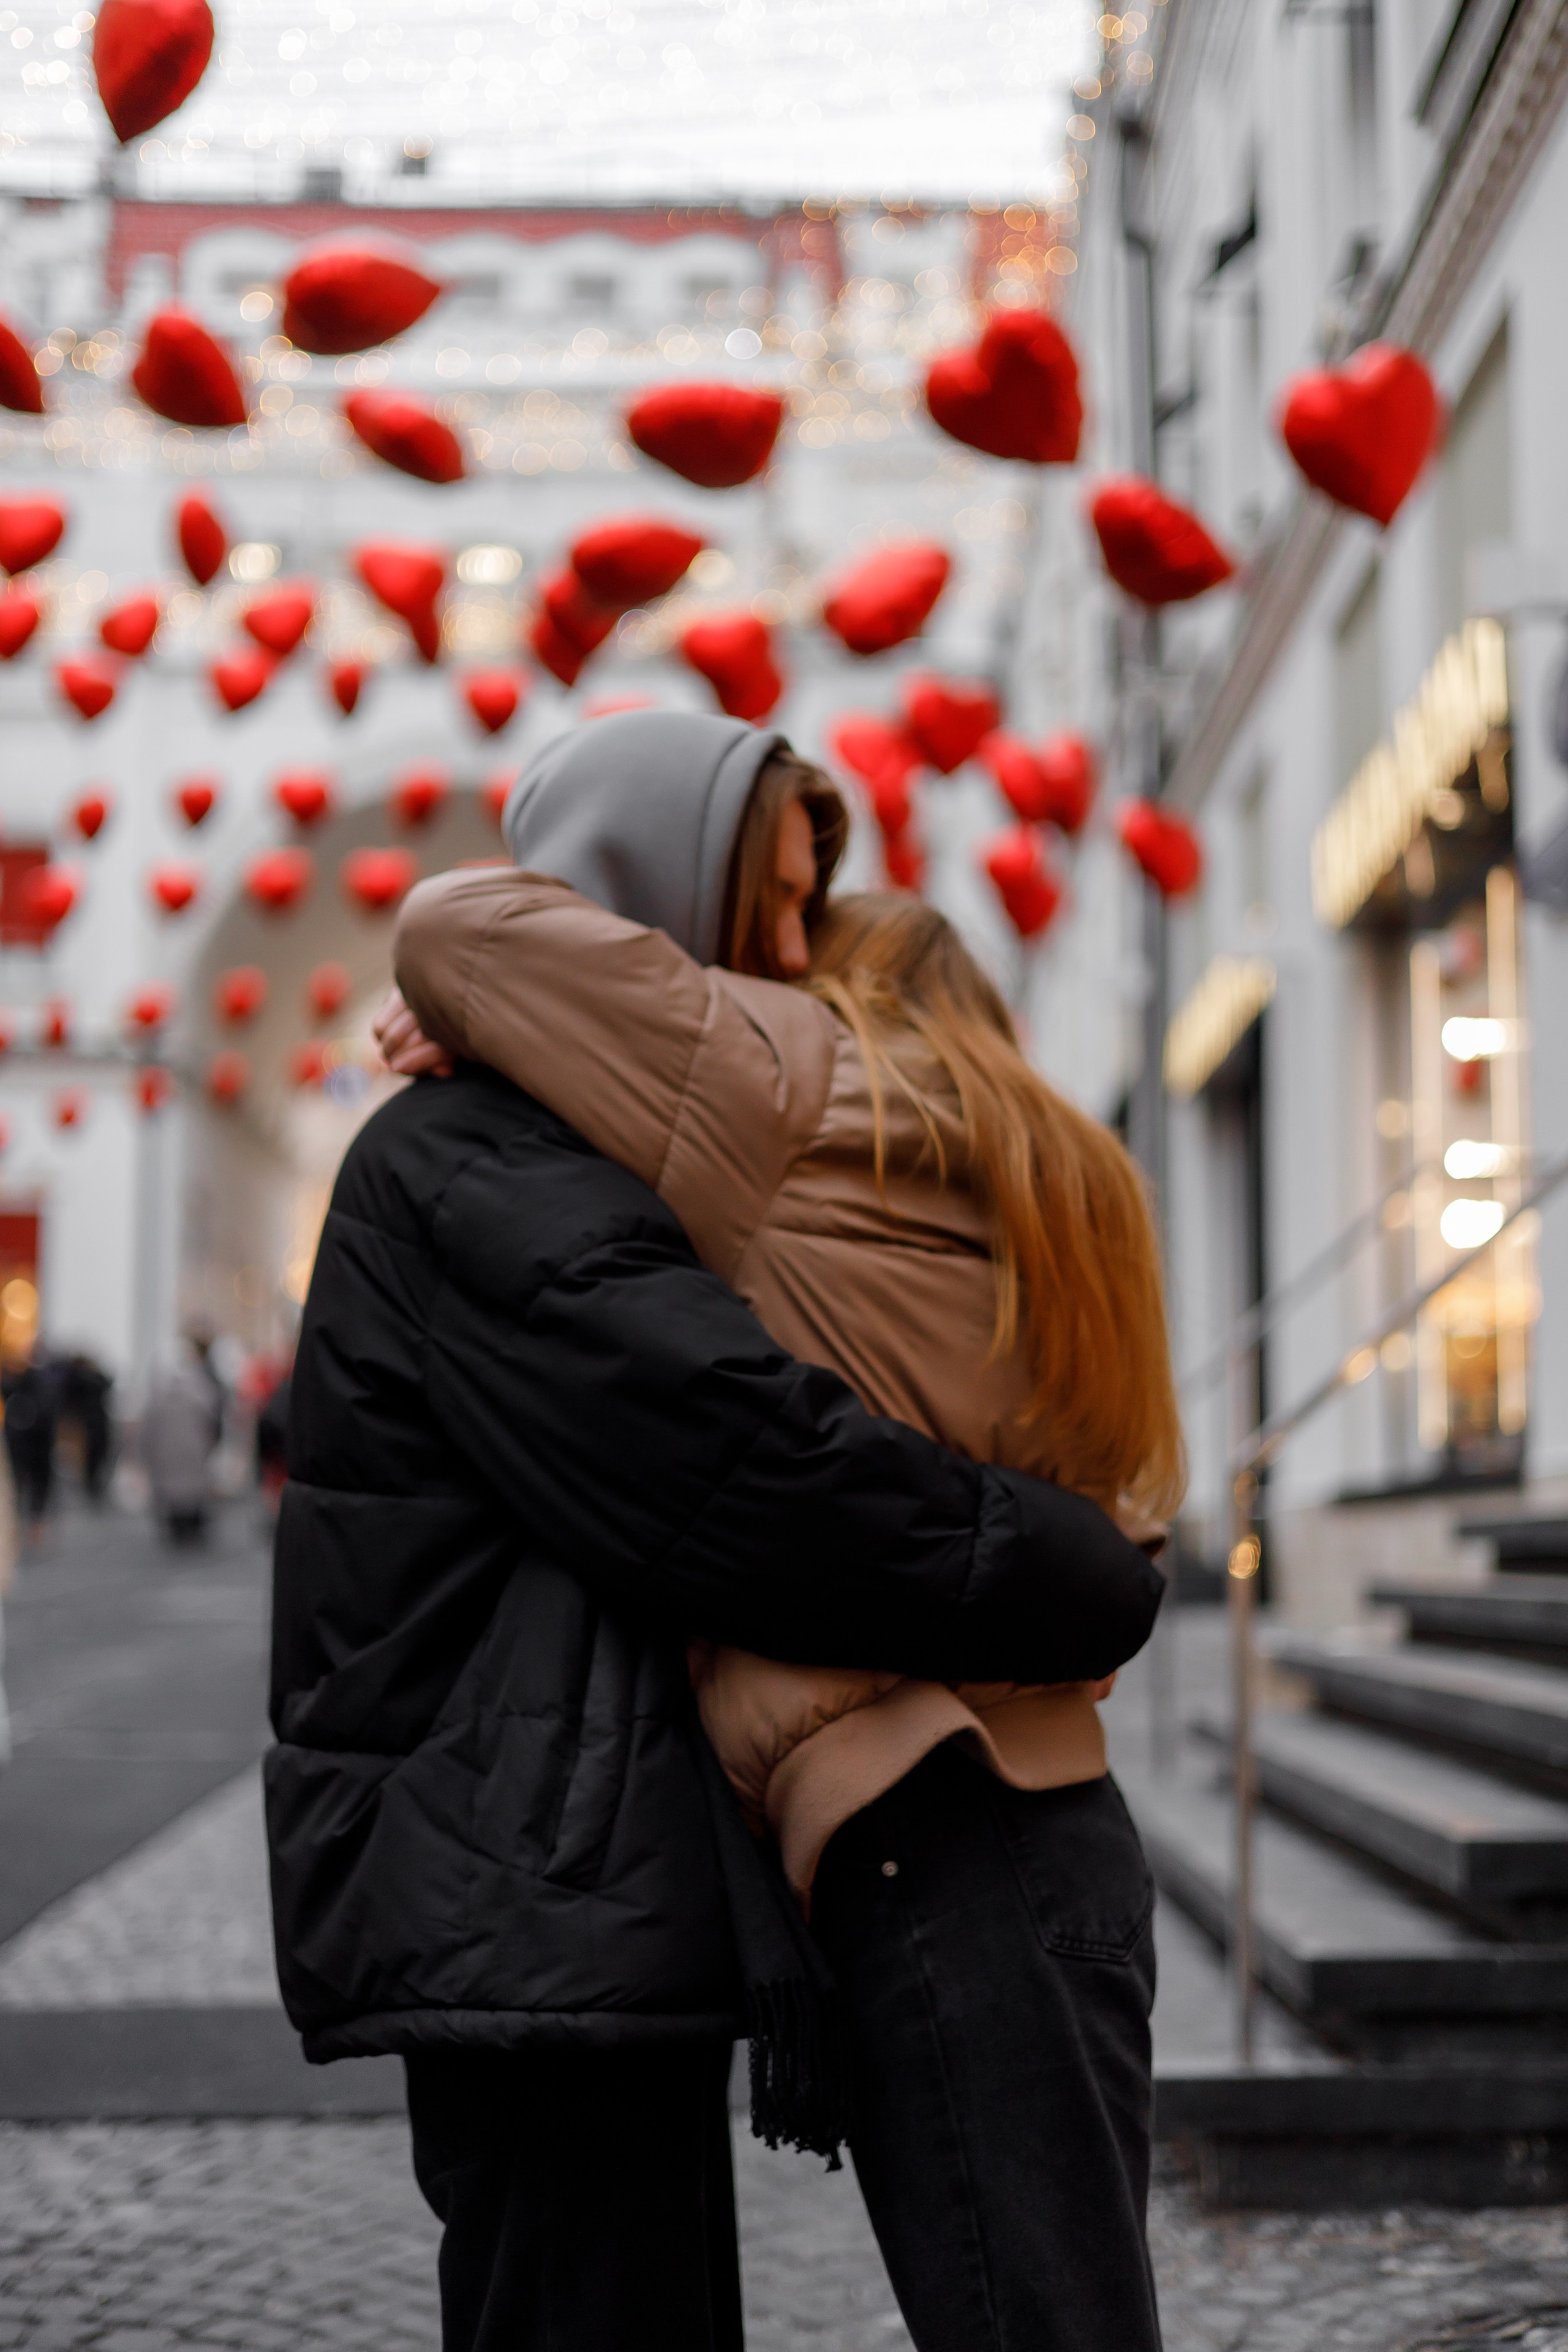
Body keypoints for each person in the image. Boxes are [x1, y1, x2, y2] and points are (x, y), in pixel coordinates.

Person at [273, 710, 1164, 2352]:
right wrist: (1065, 1568)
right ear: (649, 894)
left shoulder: (620, 1152)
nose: (794, 953)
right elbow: (738, 1470)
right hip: (528, 1866)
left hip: (562, 1861)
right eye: (772, 905)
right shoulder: (482, 1151)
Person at [141, 1339, 222, 1542]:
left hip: (168, 1454)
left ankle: (180, 1527)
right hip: (194, 1451)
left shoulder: (159, 1398)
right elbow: (213, 1425)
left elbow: (148, 1430)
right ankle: (191, 1527)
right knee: (192, 1493)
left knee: (175, 1494)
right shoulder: (203, 1393)